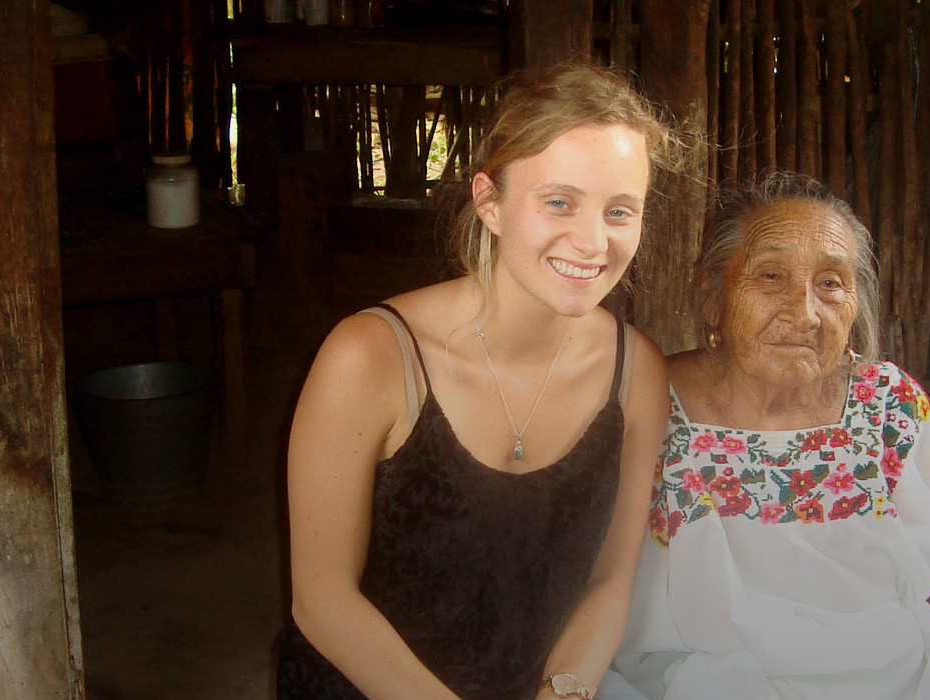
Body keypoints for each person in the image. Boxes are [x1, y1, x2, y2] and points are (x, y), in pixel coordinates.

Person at [276, 62, 676, 700]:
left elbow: (611, 580)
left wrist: (562, 691)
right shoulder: (372, 358)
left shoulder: (636, 375)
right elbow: (322, 602)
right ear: (489, 203)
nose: (594, 241)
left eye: (620, 211)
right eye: (558, 202)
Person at [611, 174, 930, 700]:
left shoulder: (888, 405)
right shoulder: (647, 401)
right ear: (712, 294)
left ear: (856, 302)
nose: (805, 312)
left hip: (903, 676)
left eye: (832, 283)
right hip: (704, 682)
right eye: (770, 275)